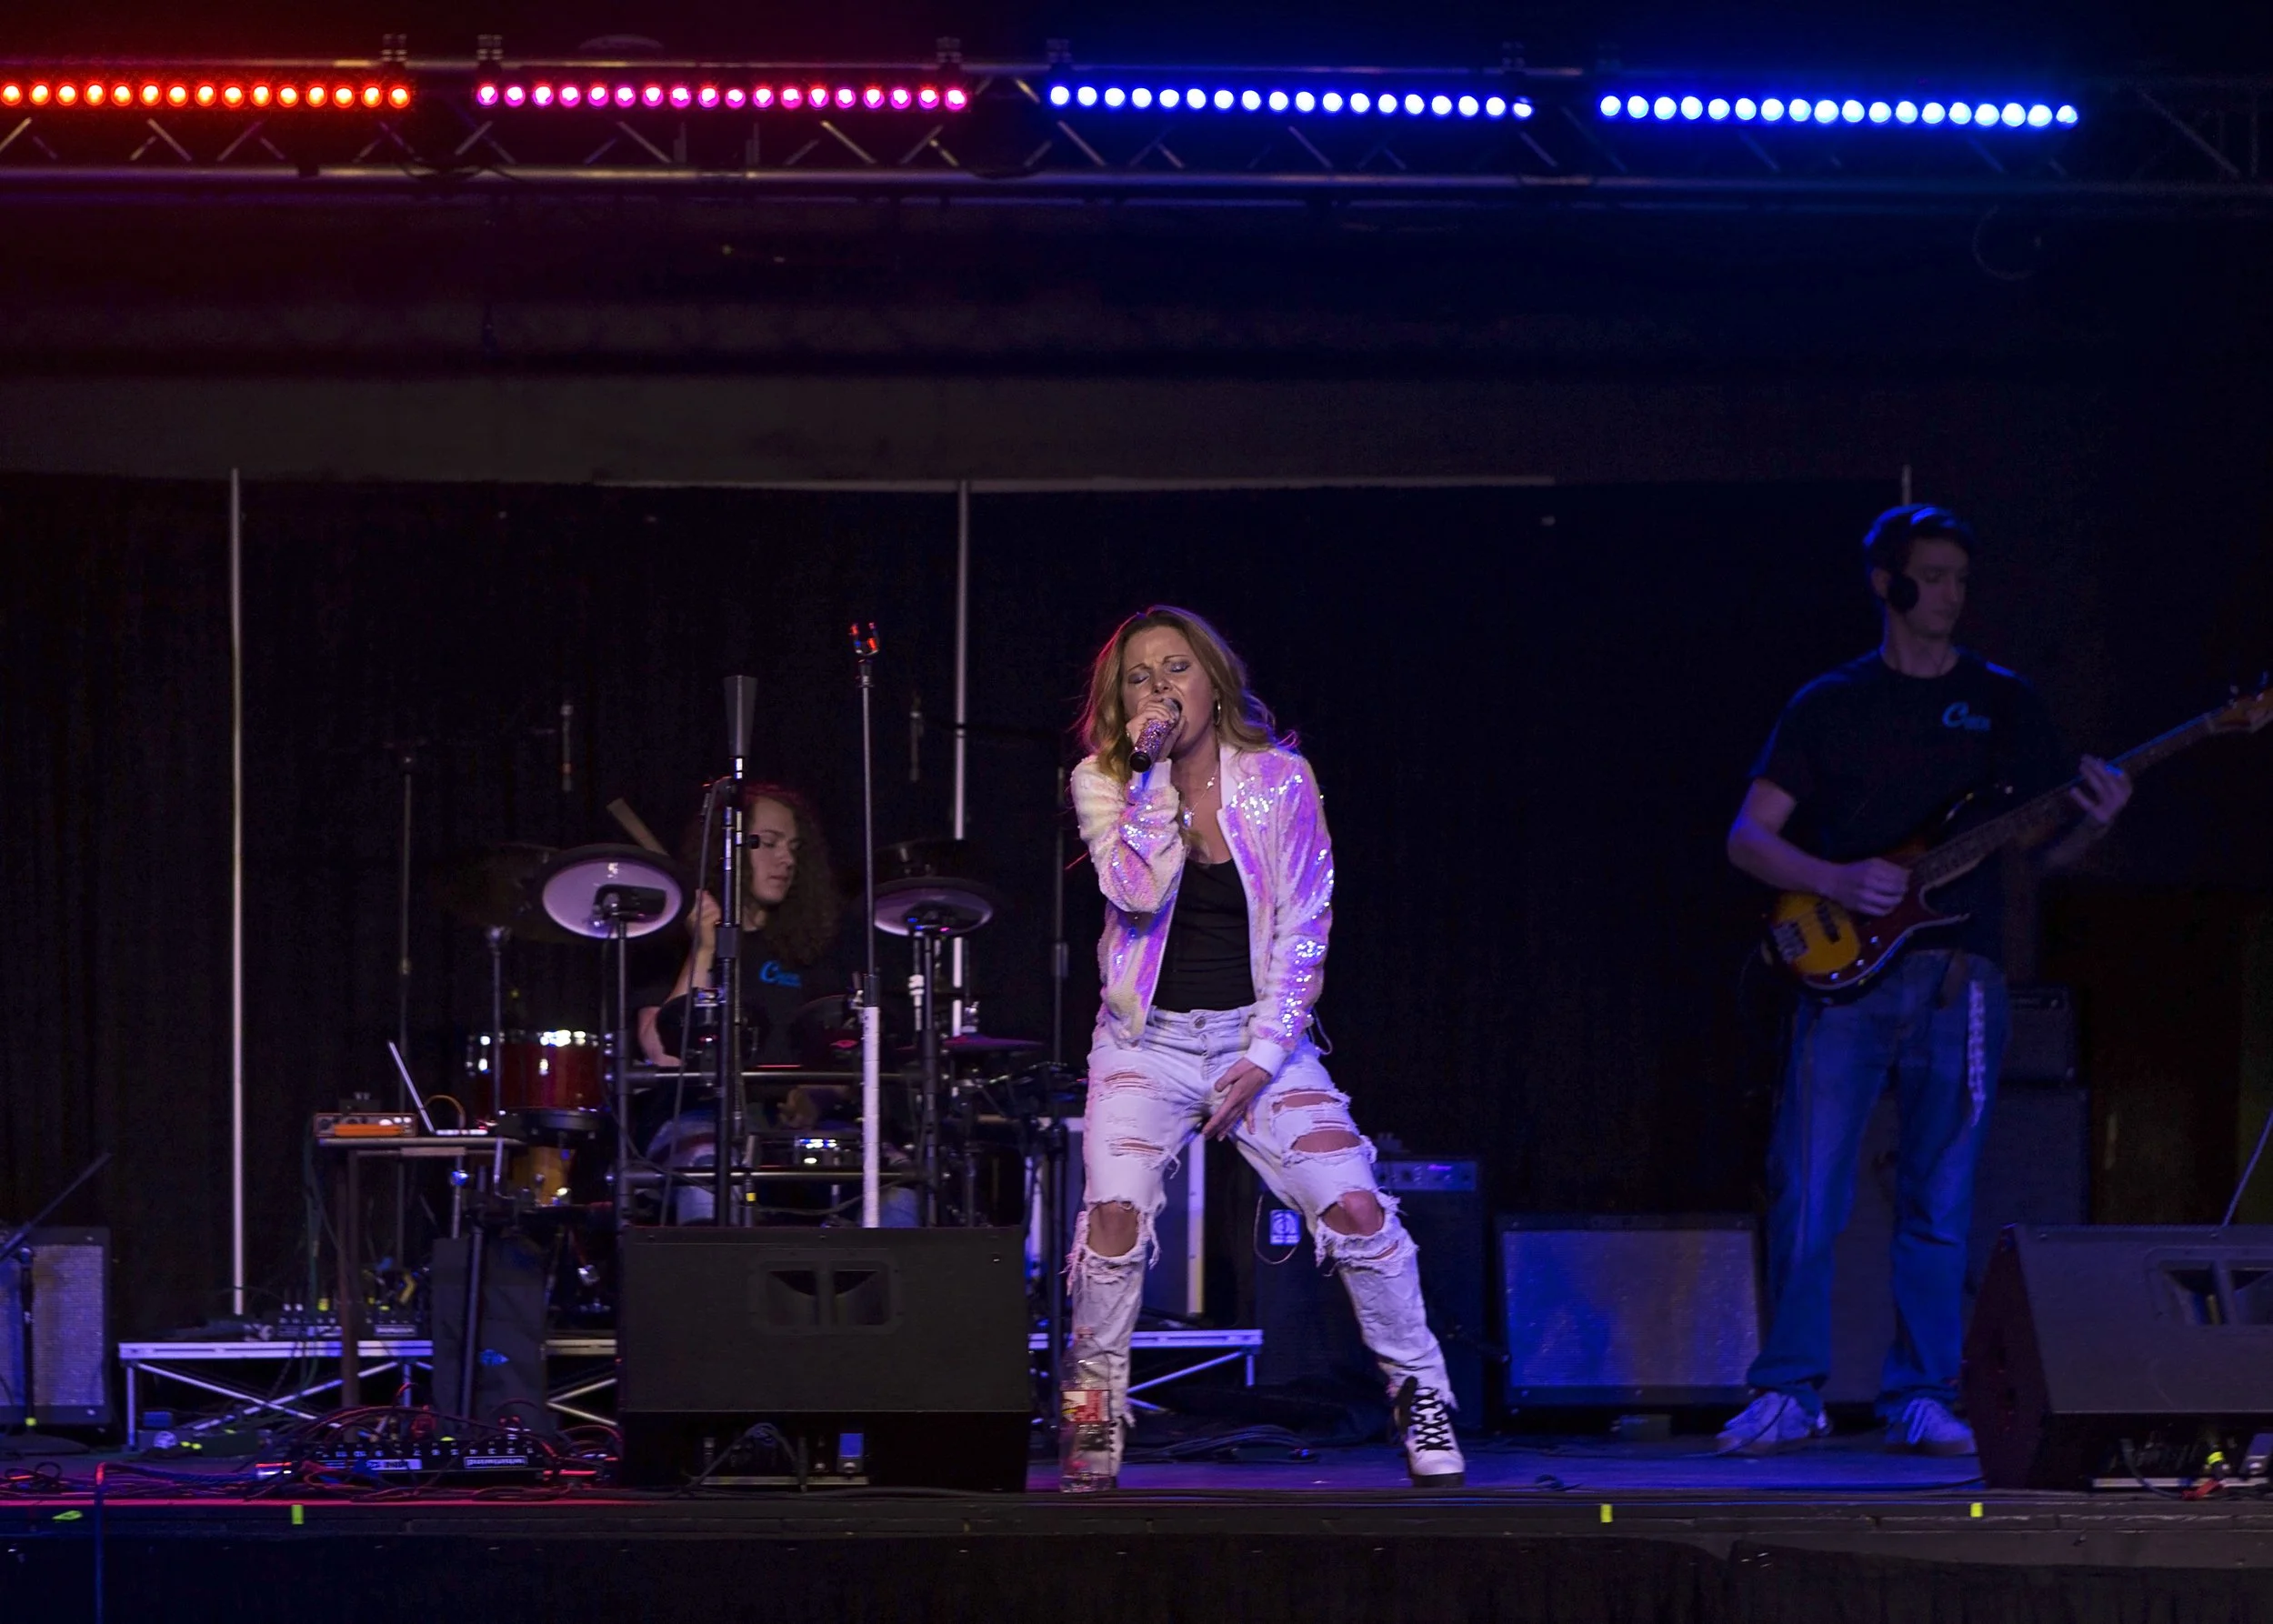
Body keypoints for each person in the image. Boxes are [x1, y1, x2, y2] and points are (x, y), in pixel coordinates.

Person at [1719, 506, 2131, 1456]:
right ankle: (1788, 1391)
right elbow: (1747, 837)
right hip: (1842, 979)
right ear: (1887, 583)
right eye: (1934, 576)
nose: (1950, 594)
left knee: (1939, 1201)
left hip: (1961, 979)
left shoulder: (2003, 701)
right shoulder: (1830, 702)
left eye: (1960, 579)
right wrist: (1831, 879)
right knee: (1807, 1189)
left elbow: (2045, 854)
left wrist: (2096, 822)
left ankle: (1921, 1394)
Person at [1066, 605, 1464, 1488]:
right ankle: (1092, 1409)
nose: (1160, 687)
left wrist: (1265, 1052)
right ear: (1120, 701)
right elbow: (1135, 890)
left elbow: (1304, 923)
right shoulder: (1104, 781)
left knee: (1356, 1208)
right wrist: (1149, 775)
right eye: (1139, 677)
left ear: (1213, 680)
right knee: (1112, 1219)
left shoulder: (1281, 781)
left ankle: (1422, 1392)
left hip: (1258, 1035)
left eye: (1176, 668)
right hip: (1144, 1042)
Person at [635, 782, 850, 1220]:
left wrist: (816, 1097)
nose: (787, 860)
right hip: (696, 1119)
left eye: (794, 848)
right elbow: (662, 1053)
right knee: (709, 1176)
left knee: (895, 1183)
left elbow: (845, 1063)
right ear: (726, 850)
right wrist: (703, 950)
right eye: (769, 843)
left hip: (790, 1132)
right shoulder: (672, 943)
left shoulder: (809, 951)